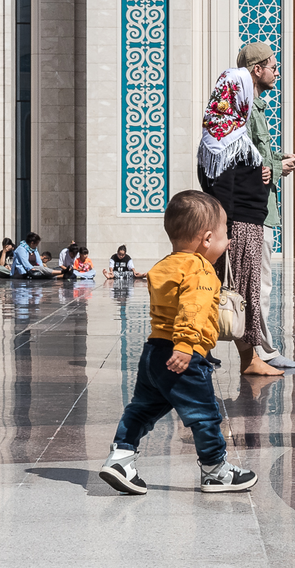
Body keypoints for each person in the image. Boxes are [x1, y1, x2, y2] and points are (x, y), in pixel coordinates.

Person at [99, 190, 258, 495]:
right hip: (182, 355)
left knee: (142, 409)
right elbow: (192, 309)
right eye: (226, 236)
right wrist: (186, 346)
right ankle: (214, 470)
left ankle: (120, 457)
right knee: (205, 414)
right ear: (207, 239)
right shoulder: (200, 268)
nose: (229, 242)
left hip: (154, 352)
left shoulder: (164, 265)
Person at [197, 64, 281, 377]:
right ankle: (247, 360)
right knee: (241, 294)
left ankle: (205, 355)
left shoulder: (229, 135)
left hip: (243, 224)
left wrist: (262, 173)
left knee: (234, 294)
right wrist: (226, 232)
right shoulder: (225, 140)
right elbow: (221, 189)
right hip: (239, 228)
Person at [236, 42, 295, 369]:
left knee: (257, 285)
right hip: (251, 210)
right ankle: (263, 353)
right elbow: (244, 162)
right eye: (272, 66)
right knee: (255, 286)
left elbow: (257, 157)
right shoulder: (244, 110)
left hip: (259, 208)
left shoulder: (255, 108)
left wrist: (278, 160)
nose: (276, 72)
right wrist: (278, 168)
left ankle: (262, 351)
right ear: (256, 69)